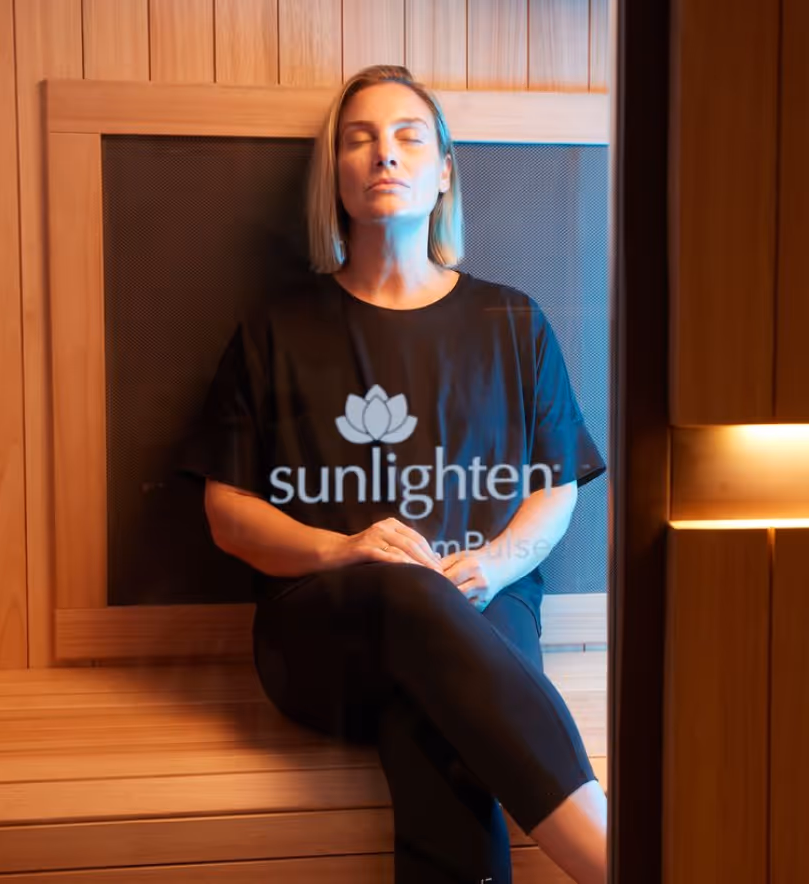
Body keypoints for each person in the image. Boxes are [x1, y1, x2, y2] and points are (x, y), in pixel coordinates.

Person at [178, 64, 608, 884]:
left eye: (410, 137)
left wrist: (495, 563)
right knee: (416, 607)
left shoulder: (511, 321)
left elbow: (558, 487)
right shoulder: (276, 329)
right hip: (323, 635)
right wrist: (346, 554)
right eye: (359, 139)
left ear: (444, 170)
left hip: (486, 608)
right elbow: (226, 511)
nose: (385, 156)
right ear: (334, 174)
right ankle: (612, 852)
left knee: (441, 699)